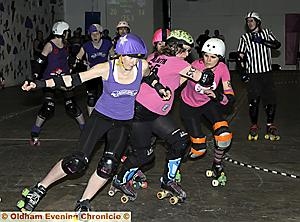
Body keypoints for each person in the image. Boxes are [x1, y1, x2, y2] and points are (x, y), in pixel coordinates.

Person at [18, 33, 172, 213]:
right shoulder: (105, 68)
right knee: (76, 162)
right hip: (101, 118)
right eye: (130, 57)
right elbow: (71, 80)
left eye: (137, 57)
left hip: (123, 122)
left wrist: (160, 88)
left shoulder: (142, 65)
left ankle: (84, 200)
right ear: (120, 55)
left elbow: (149, 76)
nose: (133, 61)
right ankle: (39, 188)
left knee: (108, 166)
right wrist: (38, 84)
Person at [108, 30, 216, 203]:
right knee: (145, 155)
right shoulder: (177, 63)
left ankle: (168, 181)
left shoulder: (153, 57)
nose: (188, 54)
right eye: (186, 50)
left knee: (179, 140)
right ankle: (120, 180)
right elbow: (204, 79)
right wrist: (209, 69)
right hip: (142, 114)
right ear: (177, 47)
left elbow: (174, 81)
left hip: (147, 112)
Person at [180, 38, 235, 185]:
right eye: (206, 55)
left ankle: (217, 164)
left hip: (208, 104)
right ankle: (176, 161)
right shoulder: (195, 65)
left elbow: (230, 98)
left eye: (213, 57)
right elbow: (178, 81)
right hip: (189, 106)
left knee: (224, 136)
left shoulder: (222, 68)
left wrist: (218, 95)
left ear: (220, 58)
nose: (208, 60)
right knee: (198, 149)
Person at [29, 21, 85, 146]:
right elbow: (39, 61)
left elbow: (67, 60)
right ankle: (34, 133)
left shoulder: (66, 45)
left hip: (64, 80)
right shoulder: (50, 45)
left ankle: (85, 130)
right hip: (50, 80)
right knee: (48, 108)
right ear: (63, 32)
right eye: (67, 32)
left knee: (71, 107)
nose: (68, 34)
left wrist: (72, 66)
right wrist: (35, 76)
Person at [237, 11, 281, 141]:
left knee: (270, 101)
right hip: (253, 74)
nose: (249, 23)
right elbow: (240, 57)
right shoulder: (244, 38)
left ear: (258, 22)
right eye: (248, 21)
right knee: (254, 101)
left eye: (252, 20)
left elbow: (277, 45)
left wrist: (262, 41)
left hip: (266, 73)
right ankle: (254, 125)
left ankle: (270, 124)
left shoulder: (266, 33)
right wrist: (243, 73)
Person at [73, 24, 113, 115]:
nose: (95, 36)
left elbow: (113, 56)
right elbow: (78, 58)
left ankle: (108, 116)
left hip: (105, 73)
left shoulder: (107, 43)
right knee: (92, 98)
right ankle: (91, 119)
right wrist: (81, 65)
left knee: (108, 96)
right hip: (92, 73)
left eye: (97, 34)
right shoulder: (86, 46)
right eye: (92, 34)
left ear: (101, 34)